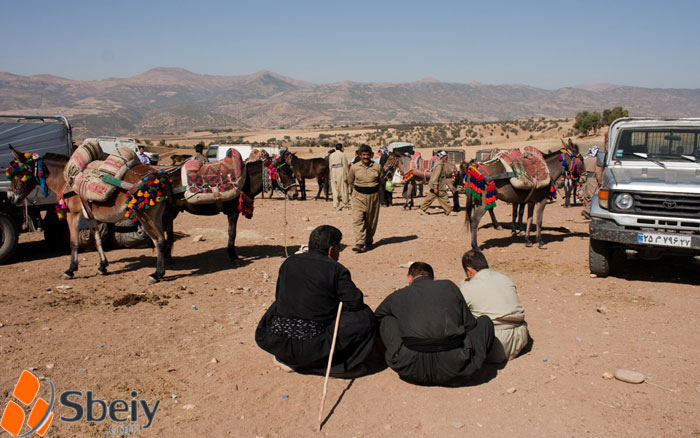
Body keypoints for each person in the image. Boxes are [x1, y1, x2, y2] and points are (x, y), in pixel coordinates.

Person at [255, 225, 378, 375]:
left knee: (278, 305)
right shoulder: (336, 269)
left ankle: (285, 358)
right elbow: (355, 302)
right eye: (339, 248)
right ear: (332, 249)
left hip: (279, 341)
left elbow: (279, 294)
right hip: (314, 345)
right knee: (365, 316)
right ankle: (337, 366)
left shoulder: (289, 262)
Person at [375, 262, 494, 386]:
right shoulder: (449, 286)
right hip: (454, 365)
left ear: (409, 277)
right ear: (434, 278)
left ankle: (386, 358)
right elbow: (470, 324)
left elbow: (376, 317)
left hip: (410, 367)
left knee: (386, 320)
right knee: (484, 322)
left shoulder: (397, 295)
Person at [459, 250, 529, 363]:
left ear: (469, 270)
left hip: (496, 345)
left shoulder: (468, 287)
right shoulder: (505, 278)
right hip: (520, 338)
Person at [347, 144, 382, 252]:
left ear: (371, 155)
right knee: (358, 219)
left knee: (371, 221)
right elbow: (350, 181)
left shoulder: (377, 167)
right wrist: (358, 191)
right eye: (363, 155)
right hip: (358, 197)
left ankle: (368, 239)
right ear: (360, 155)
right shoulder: (354, 167)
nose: (366, 157)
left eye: (367, 155)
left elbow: (381, 181)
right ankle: (359, 242)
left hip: (373, 197)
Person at [420, 150, 452, 215]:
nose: (446, 157)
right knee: (444, 197)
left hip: (436, 185)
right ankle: (448, 211)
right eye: (445, 156)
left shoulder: (440, 164)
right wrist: (435, 187)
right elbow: (436, 176)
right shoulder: (439, 165)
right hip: (438, 186)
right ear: (442, 157)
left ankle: (422, 209)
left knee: (429, 198)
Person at [329, 144, 350, 210]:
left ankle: (336, 204)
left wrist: (331, 174)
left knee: (334, 188)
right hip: (340, 170)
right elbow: (345, 165)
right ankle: (345, 203)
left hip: (333, 170)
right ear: (341, 148)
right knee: (343, 187)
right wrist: (347, 175)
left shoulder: (331, 155)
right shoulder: (342, 154)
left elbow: (330, 165)